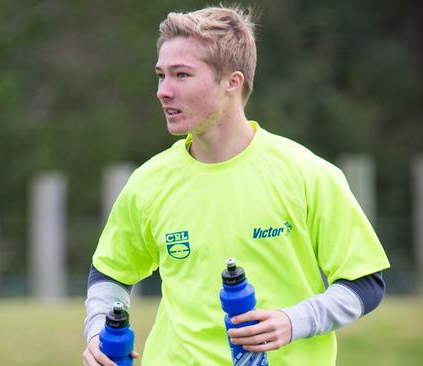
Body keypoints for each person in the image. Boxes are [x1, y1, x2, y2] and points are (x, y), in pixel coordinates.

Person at [82, 4, 390, 366]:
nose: (163, 91)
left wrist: (295, 321)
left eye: (181, 75)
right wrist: (98, 329)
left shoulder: (307, 173)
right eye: (160, 75)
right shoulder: (149, 181)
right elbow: (109, 272)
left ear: (233, 81)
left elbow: (366, 283)